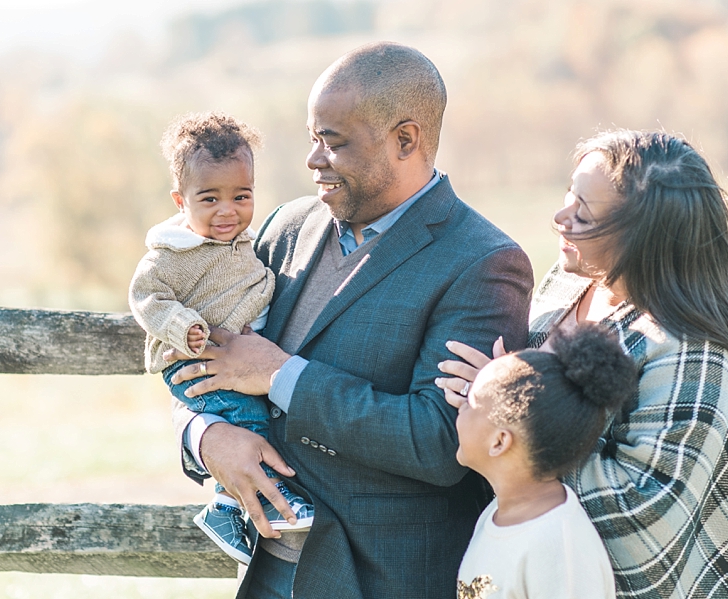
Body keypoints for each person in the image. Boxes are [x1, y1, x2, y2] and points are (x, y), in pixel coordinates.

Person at [164, 43, 535, 598]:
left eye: (332, 142)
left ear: (404, 140)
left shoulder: (483, 263)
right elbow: (206, 355)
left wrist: (281, 376)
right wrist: (203, 434)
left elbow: (440, 443)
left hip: (381, 579)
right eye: (313, 137)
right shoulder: (285, 226)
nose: (313, 159)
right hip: (265, 571)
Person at [439, 130, 728, 598]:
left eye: (583, 214)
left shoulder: (695, 351)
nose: (561, 218)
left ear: (643, 238)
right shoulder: (564, 289)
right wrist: (498, 396)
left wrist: (504, 417)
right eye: (570, 195)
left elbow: (642, 524)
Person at [128, 112, 313, 567]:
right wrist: (182, 327)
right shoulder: (172, 254)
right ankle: (263, 501)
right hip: (198, 360)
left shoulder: (245, 240)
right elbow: (145, 297)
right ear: (181, 199)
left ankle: (227, 508)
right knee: (247, 424)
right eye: (209, 199)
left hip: (231, 360)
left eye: (241, 196)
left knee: (248, 420)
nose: (227, 210)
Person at [455, 323, 636, 599]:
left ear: (499, 442)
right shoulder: (499, 514)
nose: (459, 410)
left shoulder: (559, 546)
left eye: (470, 403)